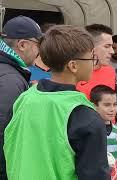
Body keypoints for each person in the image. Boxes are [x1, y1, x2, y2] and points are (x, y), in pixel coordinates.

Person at [4, 25, 110, 180]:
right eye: (91, 57)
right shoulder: (85, 116)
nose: (94, 63)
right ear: (73, 65)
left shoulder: (23, 99)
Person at [0, 15, 42, 179]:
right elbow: (3, 132)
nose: (39, 51)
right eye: (38, 44)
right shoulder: (11, 79)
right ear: (23, 45)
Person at [91, 85, 117, 179]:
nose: (112, 109)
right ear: (94, 106)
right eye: (107, 105)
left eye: (114, 104)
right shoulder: (89, 132)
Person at [76, 24, 115, 99]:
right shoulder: (73, 72)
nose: (112, 51)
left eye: (111, 46)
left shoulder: (110, 71)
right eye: (107, 46)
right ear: (91, 46)